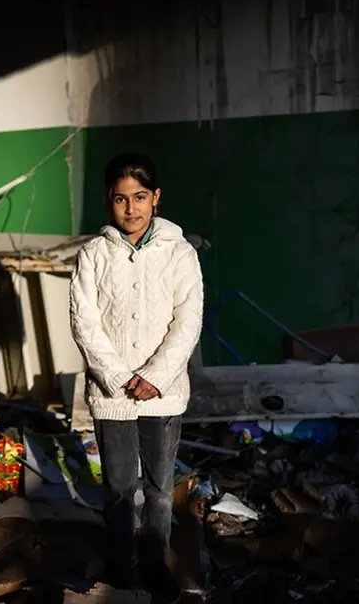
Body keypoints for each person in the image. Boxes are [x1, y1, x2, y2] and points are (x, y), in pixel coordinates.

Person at [69, 153, 204, 602]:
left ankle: (154, 565)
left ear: (156, 198)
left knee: (161, 491)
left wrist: (156, 376)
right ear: (109, 201)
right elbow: (84, 321)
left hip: (161, 395)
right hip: (114, 395)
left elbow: (188, 319)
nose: (132, 208)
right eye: (121, 198)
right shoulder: (93, 255)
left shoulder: (179, 253)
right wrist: (117, 376)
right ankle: (123, 570)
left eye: (140, 197)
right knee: (119, 489)